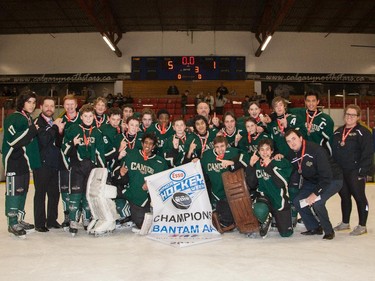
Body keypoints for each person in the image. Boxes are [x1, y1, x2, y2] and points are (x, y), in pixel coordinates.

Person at [285, 129, 342, 240]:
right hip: (312, 181)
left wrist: (315, 194)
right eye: (288, 141)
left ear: (301, 138)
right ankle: (314, 227)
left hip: (332, 180)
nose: (292, 143)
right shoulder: (291, 154)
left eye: (294, 139)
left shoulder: (316, 150)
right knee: (297, 201)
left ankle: (328, 230)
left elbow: (326, 176)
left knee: (318, 203)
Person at [62, 104, 106, 236]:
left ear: (94, 117)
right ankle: (73, 220)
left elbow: (100, 153)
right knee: (75, 195)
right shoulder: (73, 129)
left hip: (90, 168)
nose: (88, 118)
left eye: (90, 116)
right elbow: (64, 148)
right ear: (81, 117)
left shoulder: (97, 132)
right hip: (77, 166)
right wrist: (72, 144)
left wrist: (103, 171)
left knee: (88, 195)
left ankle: (87, 219)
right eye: (85, 116)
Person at [2, 91, 41, 237]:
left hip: (23, 162)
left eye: (33, 102)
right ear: (22, 103)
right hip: (13, 161)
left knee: (22, 191)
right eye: (29, 101)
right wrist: (32, 130)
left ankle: (18, 218)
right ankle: (12, 222)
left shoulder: (28, 118)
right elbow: (13, 141)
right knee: (14, 192)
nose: (32, 105)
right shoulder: (13, 118)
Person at [112, 133, 168, 230]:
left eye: (151, 144)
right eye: (146, 143)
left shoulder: (160, 162)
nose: (147, 145)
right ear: (142, 144)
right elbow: (115, 174)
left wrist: (151, 183)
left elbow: (164, 181)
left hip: (140, 197)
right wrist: (120, 173)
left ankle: (132, 215)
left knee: (142, 225)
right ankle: (123, 212)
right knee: (104, 191)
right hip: (126, 189)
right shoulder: (131, 154)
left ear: (154, 146)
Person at [332, 104, 374, 236]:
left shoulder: (364, 132)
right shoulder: (338, 132)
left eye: (352, 115)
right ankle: (345, 223)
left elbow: (368, 153)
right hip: (341, 171)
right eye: (347, 114)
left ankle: (362, 225)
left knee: (359, 197)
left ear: (358, 117)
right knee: (344, 196)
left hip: (355, 171)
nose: (349, 117)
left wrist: (363, 170)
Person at [249, 139, 293, 238]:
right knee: (259, 209)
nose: (265, 152)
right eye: (262, 150)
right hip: (265, 197)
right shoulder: (257, 163)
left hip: (279, 199)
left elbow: (281, 183)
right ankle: (265, 218)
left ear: (272, 151)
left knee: (286, 234)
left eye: (267, 149)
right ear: (258, 152)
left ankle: (275, 217)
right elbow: (251, 184)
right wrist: (251, 166)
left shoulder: (280, 161)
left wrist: (270, 166)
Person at [201, 136, 248, 228]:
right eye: (217, 147)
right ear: (213, 147)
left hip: (232, 193)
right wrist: (195, 160)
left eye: (222, 146)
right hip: (215, 192)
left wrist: (233, 162)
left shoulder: (233, 152)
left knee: (231, 212)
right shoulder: (207, 156)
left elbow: (247, 157)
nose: (220, 149)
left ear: (227, 146)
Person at [33, 97, 65, 232]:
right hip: (41, 164)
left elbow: (58, 143)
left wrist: (60, 131)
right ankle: (40, 223)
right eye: (47, 106)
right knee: (40, 194)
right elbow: (44, 140)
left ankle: (52, 220)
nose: (49, 109)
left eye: (52, 106)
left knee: (54, 193)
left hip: (54, 163)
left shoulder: (53, 122)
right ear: (41, 107)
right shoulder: (37, 122)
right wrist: (55, 127)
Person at [59, 94, 81, 229]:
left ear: (76, 105)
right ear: (63, 106)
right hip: (64, 160)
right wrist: (59, 131)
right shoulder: (60, 120)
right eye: (67, 104)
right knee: (65, 188)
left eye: (72, 104)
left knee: (79, 189)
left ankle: (80, 215)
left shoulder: (84, 118)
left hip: (80, 162)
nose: (70, 106)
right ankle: (67, 214)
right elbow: (57, 143)